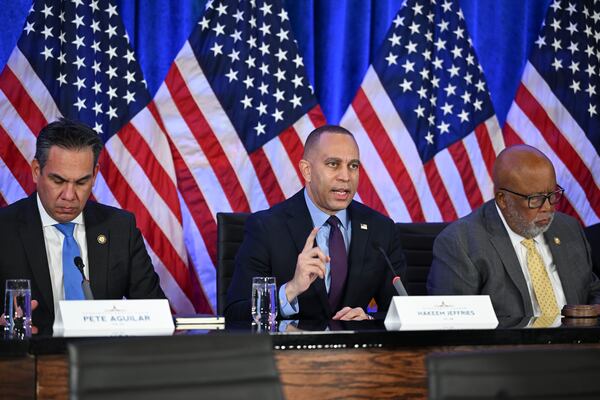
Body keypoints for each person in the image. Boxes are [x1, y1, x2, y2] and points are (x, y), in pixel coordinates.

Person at [225, 125, 406, 321]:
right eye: (333, 164)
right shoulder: (267, 228)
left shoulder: (381, 229)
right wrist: (290, 290)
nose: (345, 176)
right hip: (290, 350)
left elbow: (404, 313)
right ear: (307, 170)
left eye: (353, 166)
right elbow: (236, 314)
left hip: (356, 350)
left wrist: (369, 321)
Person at [0, 119, 165, 331]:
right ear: (36, 170)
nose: (69, 196)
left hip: (103, 360)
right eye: (58, 181)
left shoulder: (120, 228)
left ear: (95, 174)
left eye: (81, 182)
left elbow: (155, 312)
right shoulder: (5, 230)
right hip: (30, 360)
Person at [427, 144, 600, 320]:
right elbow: (454, 324)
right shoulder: (461, 242)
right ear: (503, 199)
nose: (548, 207)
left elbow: (593, 292)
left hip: (576, 343)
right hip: (509, 346)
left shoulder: (568, 228)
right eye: (536, 199)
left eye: (552, 194)